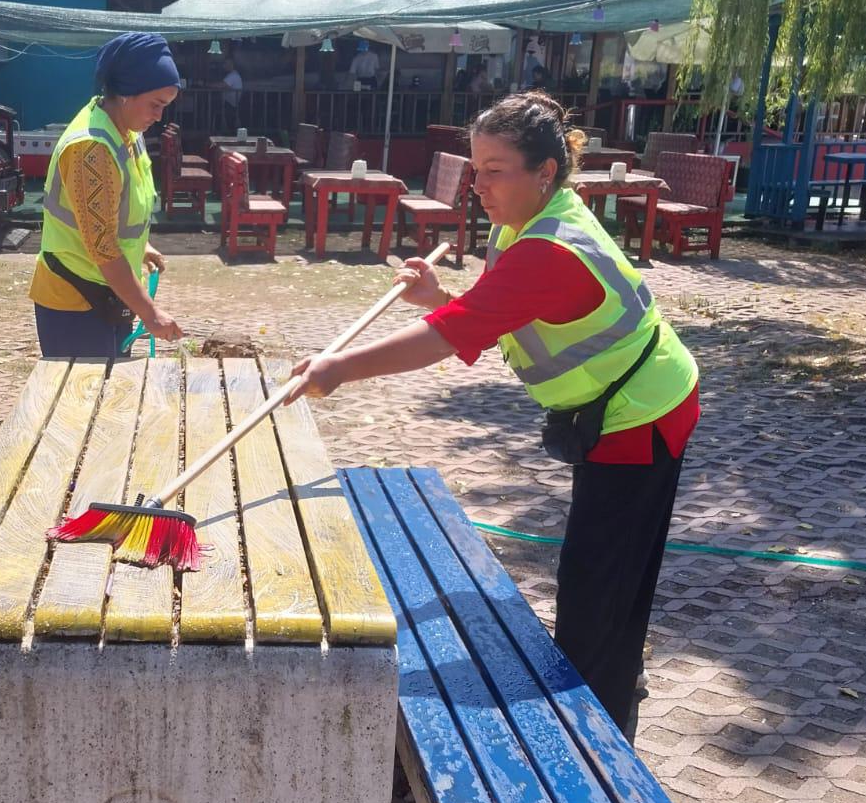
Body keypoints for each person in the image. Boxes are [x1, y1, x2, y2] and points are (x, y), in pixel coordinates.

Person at [288, 92, 700, 744]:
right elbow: (489, 315)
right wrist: (438, 296)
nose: (478, 185)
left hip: (640, 415)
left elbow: (450, 337)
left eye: (495, 169)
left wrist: (337, 368)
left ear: (545, 171)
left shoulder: (549, 246)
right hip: (623, 408)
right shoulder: (526, 226)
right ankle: (613, 676)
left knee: (597, 579)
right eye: (474, 167)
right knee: (605, 572)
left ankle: (598, 730)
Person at [30, 32, 185, 358]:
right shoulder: (92, 149)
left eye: (165, 106)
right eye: (155, 105)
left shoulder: (126, 130)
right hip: (75, 302)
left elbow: (117, 212)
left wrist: (141, 246)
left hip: (111, 293)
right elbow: (104, 251)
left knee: (109, 398)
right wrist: (150, 313)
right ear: (127, 94)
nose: (160, 116)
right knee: (83, 403)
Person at [220, 56, 244, 133]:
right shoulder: (232, 74)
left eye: (225, 64)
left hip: (230, 104)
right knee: (230, 121)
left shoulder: (233, 75)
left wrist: (206, 84)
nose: (224, 66)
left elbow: (223, 85)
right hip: (230, 103)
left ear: (231, 64)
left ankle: (230, 135)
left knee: (230, 123)